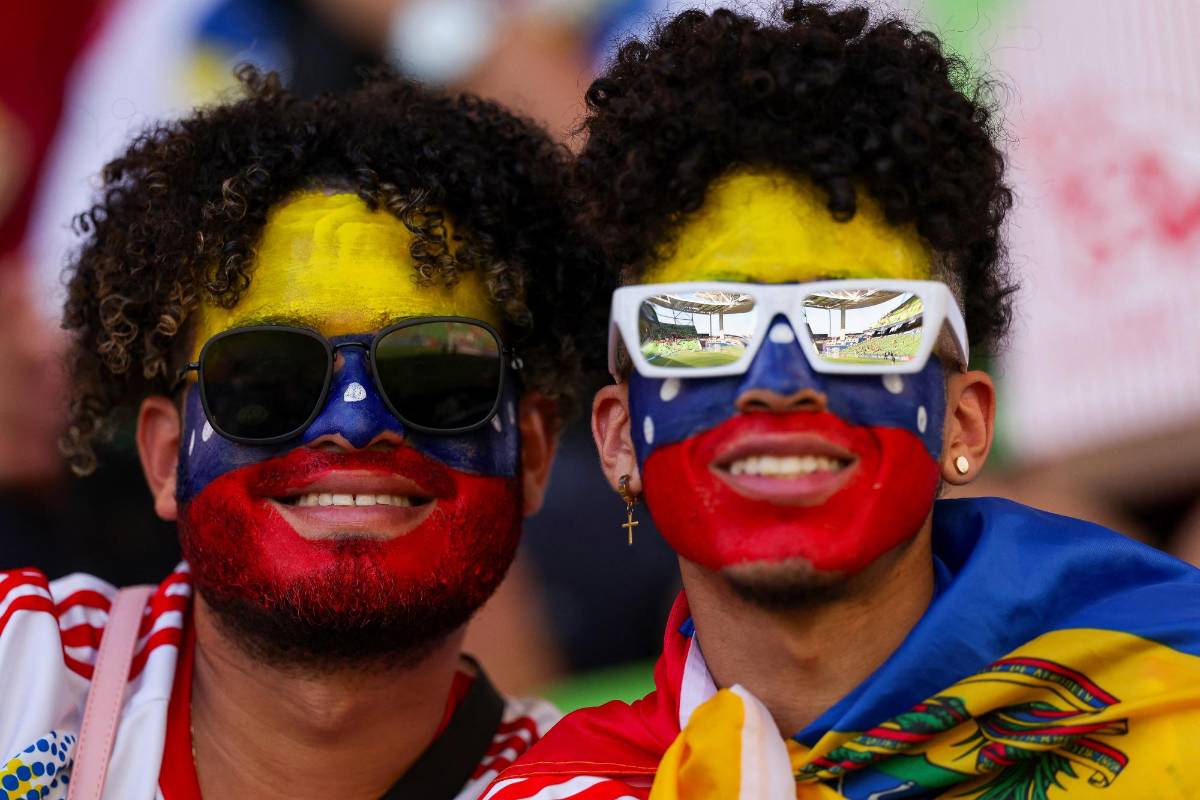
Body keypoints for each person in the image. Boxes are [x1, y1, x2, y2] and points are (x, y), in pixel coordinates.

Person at [484, 4, 1200, 799]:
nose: (780, 378)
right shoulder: (555, 790)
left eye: (862, 325)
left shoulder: (1174, 703)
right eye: (701, 327)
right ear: (619, 441)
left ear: (965, 422)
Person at [0, 68, 602, 799]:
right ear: (163, 459)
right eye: (266, 378)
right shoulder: (21, 674)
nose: (354, 425)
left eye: (436, 374)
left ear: (533, 452)